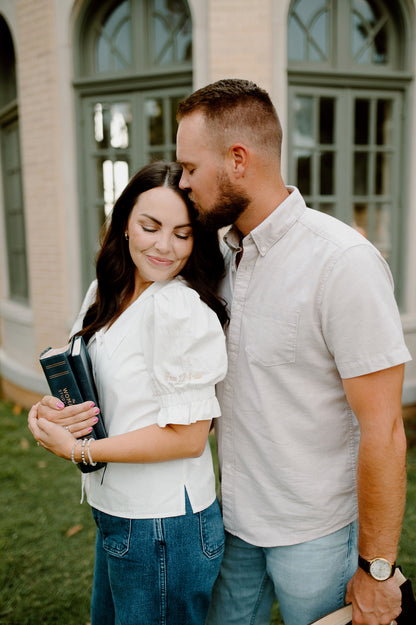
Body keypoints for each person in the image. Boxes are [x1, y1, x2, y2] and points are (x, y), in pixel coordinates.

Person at [175, 79, 411, 625]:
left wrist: (376, 570)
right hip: (232, 525)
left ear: (238, 160)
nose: (183, 183)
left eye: (191, 168)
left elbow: (384, 430)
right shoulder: (216, 257)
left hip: (316, 535)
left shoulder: (342, 263)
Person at [28, 161, 228, 625]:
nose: (164, 246)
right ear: (123, 225)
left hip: (163, 526)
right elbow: (89, 385)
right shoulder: (106, 291)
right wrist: (52, 413)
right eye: (150, 226)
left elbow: (188, 437)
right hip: (117, 512)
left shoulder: (179, 309)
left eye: (182, 233)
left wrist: (81, 450)